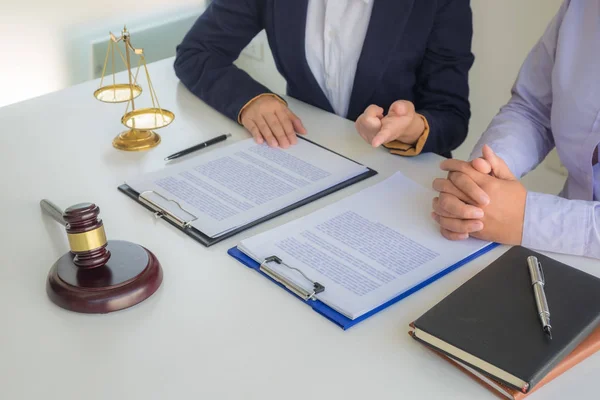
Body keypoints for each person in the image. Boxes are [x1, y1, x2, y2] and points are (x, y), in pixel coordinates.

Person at [174, 0, 474, 157]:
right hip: (303, 158)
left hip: (399, 179)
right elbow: (197, 52)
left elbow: (451, 116)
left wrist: (413, 130)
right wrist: (252, 100)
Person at [431, 0, 600, 259]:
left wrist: (528, 218)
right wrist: (483, 178)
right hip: (558, 254)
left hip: (558, 236)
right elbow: (533, 109)